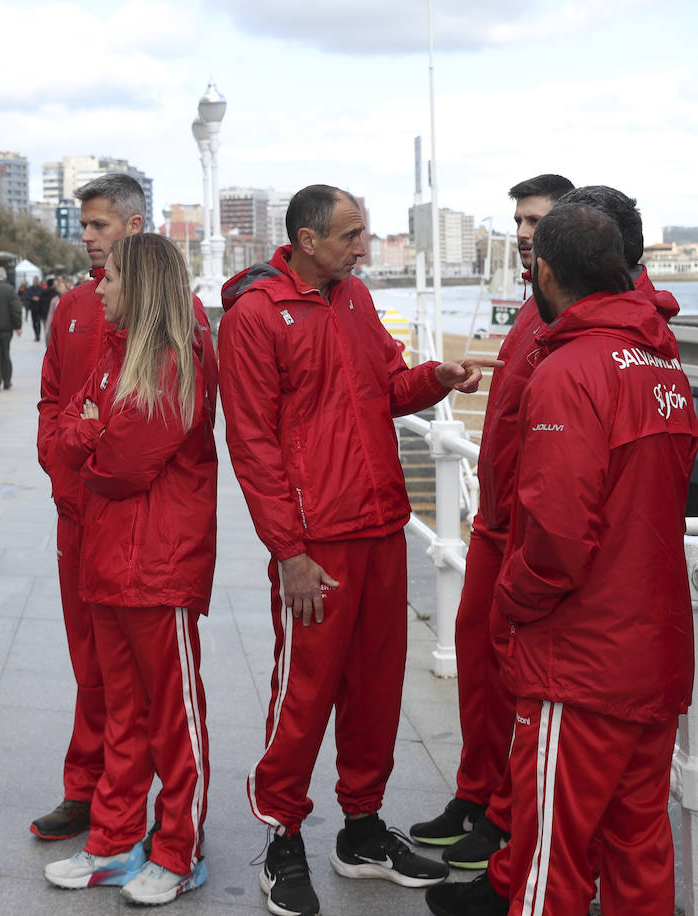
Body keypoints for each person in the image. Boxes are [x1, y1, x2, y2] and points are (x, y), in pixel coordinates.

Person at [218, 184, 499, 916]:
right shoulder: (255, 316)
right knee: (304, 697)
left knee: (377, 691)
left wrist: (433, 380)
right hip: (318, 544)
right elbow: (249, 443)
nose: (362, 246)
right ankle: (281, 836)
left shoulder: (355, 300)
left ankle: (362, 830)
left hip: (381, 530)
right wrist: (289, 551)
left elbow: (386, 389)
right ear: (307, 240)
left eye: (364, 233)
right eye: (350, 235)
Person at [427, 186, 688, 916]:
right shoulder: (663, 367)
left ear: (545, 273)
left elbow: (557, 539)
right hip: (654, 651)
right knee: (640, 852)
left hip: (581, 659)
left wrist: (510, 606)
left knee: (551, 861)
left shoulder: (570, 371)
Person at [43, 233, 217, 905]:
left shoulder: (174, 360)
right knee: (123, 712)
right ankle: (114, 842)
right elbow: (67, 433)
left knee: (173, 718)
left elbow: (120, 465)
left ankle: (180, 849)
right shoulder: (117, 355)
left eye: (110, 278)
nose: (100, 288)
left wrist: (91, 430)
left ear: (138, 285)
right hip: (109, 560)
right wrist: (90, 430)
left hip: (158, 564)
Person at [410, 175, 574, 870]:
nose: (523, 232)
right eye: (518, 220)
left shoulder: (573, 310)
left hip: (528, 531)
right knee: (476, 661)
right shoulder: (535, 308)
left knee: (515, 679)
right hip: (494, 522)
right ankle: (477, 794)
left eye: (536, 220)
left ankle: (506, 819)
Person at [33, 172, 146, 841]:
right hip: (77, 512)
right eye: (85, 227)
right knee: (89, 661)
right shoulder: (73, 306)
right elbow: (52, 395)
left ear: (134, 225)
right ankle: (88, 786)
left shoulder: (172, 309)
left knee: (139, 668)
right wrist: (56, 459)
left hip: (135, 519)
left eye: (99, 225)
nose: (88, 239)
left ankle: (136, 794)